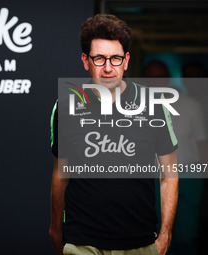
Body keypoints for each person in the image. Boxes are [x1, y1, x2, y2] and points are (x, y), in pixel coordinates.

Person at [49, 14, 179, 255]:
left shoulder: (154, 105)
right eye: (99, 58)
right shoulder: (66, 106)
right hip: (82, 243)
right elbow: (61, 174)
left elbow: (169, 174)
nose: (108, 68)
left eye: (116, 58)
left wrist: (165, 236)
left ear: (126, 60)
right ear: (85, 61)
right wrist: (55, 230)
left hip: (139, 243)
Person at [143, 59, 207, 255]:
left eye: (160, 77)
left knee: (187, 236)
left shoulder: (191, 106)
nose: (156, 82)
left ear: (169, 78)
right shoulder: (134, 108)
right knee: (155, 237)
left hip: (188, 177)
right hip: (153, 178)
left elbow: (202, 145)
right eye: (151, 78)